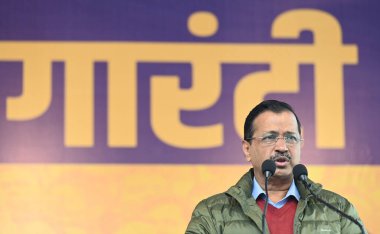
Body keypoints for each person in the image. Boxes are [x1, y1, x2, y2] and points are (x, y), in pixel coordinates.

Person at [186, 99, 366, 234]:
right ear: (247, 149)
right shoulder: (212, 213)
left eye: (291, 138)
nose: (282, 147)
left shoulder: (338, 210)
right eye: (270, 137)